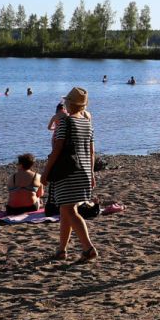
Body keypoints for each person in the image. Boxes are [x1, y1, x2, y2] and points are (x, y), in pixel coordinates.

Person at [44, 87, 98, 263]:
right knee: (66, 209)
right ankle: (61, 250)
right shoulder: (87, 123)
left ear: (68, 103)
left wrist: (45, 173)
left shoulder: (65, 122)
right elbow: (91, 152)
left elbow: (57, 149)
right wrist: (91, 174)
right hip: (83, 172)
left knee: (69, 210)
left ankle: (88, 248)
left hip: (67, 172)